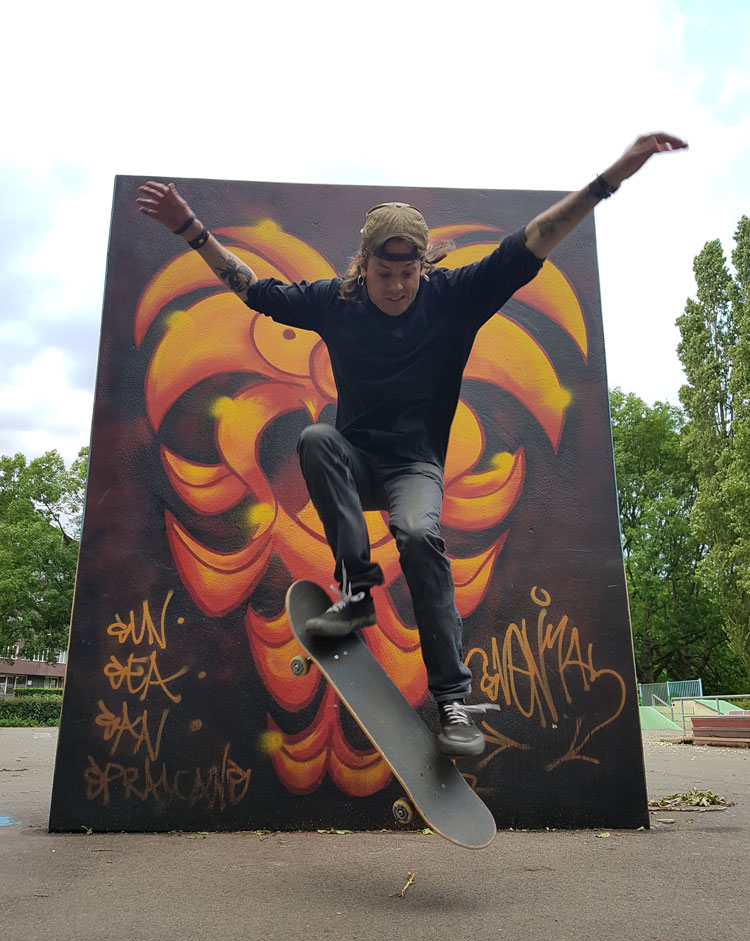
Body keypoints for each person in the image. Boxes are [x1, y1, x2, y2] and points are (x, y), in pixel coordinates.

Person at [137, 132, 687, 757]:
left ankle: (453, 702)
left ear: (423, 267)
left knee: (422, 538)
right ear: (361, 266)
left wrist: (611, 177)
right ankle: (354, 595)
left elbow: (534, 240)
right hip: (352, 461)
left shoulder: (454, 298)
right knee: (317, 439)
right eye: (383, 273)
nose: (395, 287)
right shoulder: (335, 303)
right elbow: (253, 290)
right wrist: (191, 230)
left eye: (406, 274)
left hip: (413, 469)